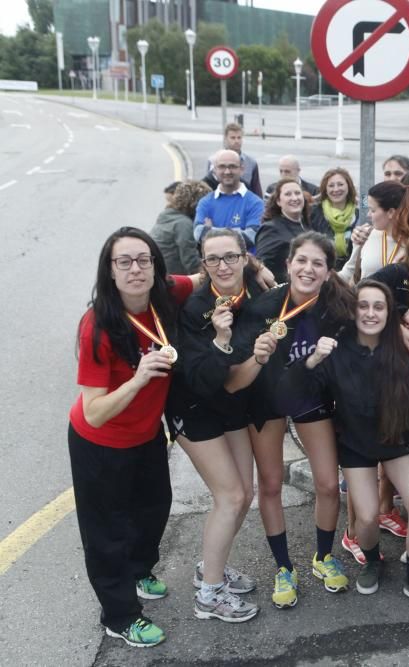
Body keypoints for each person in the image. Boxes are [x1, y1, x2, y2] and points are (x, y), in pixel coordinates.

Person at [277, 280, 409, 613]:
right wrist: (311, 361)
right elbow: (295, 395)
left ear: (389, 313)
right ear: (353, 311)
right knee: (366, 519)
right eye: (363, 306)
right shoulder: (337, 349)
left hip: (398, 444)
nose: (370, 313)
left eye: (378, 307)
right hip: (356, 446)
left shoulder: (407, 351)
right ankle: (372, 560)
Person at [69, 227, 196, 648]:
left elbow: (204, 277)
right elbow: (94, 409)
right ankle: (120, 616)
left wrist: (254, 270)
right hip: (100, 443)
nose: (135, 269)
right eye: (124, 261)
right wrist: (140, 379)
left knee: (154, 509)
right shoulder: (97, 326)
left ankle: (140, 571)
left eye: (143, 259)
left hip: (146, 436)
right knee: (107, 533)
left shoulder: (164, 294)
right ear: (110, 271)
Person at [226, 232, 355, 610]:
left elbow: (374, 315)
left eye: (318, 263)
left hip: (310, 396)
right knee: (270, 484)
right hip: (266, 401)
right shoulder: (262, 306)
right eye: (302, 261)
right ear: (288, 264)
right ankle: (284, 567)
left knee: (329, 484)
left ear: (329, 272)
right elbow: (242, 366)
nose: (308, 269)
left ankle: (322, 557)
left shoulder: (336, 304)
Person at [172, 228, 267, 624]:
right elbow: (201, 379)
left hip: (230, 407)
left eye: (231, 257)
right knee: (229, 496)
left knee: (244, 495)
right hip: (194, 407)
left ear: (246, 258)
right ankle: (209, 595)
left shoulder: (257, 292)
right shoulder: (194, 309)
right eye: (214, 259)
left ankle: (210, 566)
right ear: (203, 264)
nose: (223, 266)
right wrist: (221, 340)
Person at [339, 181, 409, 283]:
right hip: (364, 297)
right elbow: (349, 271)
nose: (368, 215)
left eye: (372, 210)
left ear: (390, 212)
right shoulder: (365, 234)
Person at [257, 178, 333, 284]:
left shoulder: (307, 224)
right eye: (288, 194)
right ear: (279, 201)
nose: (294, 198)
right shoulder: (270, 228)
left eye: (298, 193)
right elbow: (261, 265)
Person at [194, 149, 265, 249]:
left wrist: (211, 231)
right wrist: (238, 232)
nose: (227, 171)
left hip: (244, 264)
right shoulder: (205, 202)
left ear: (242, 169)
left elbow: (251, 237)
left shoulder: (256, 203)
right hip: (213, 263)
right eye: (222, 167)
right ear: (214, 170)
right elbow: (199, 234)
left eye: (232, 166)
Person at [151, 179, 209, 275]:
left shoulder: (167, 215)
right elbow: (191, 262)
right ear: (195, 204)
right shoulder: (183, 224)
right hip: (173, 279)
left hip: (159, 273)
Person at [309, 167, 359, 270]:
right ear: (325, 189)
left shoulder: (359, 214)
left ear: (348, 186)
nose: (336, 189)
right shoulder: (314, 212)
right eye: (331, 186)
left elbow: (366, 199)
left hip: (352, 271)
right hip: (322, 270)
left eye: (340, 185)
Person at [204, 122, 262, 197]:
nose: (236, 141)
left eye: (239, 137)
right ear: (225, 139)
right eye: (233, 138)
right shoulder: (213, 160)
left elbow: (256, 190)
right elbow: (208, 186)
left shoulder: (251, 163)